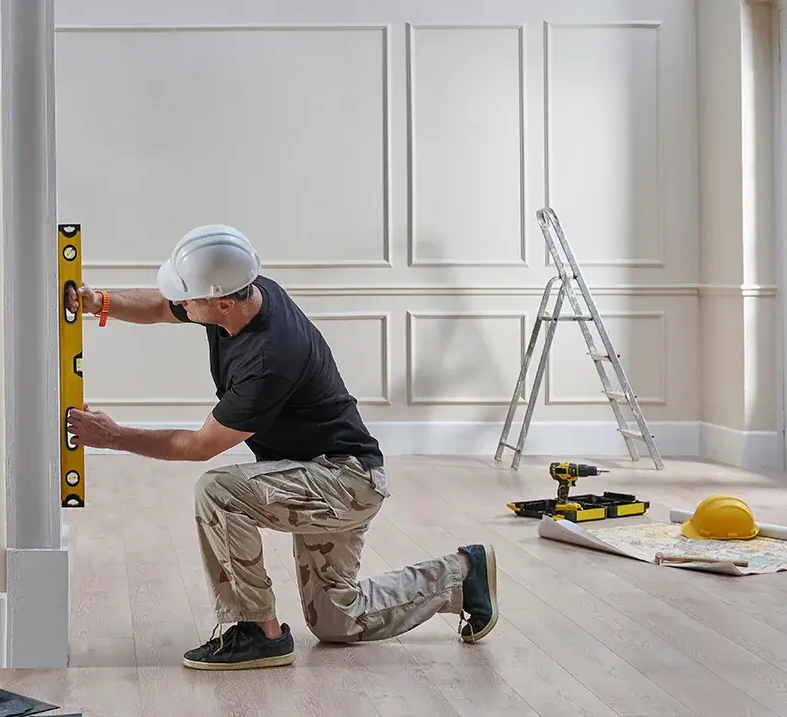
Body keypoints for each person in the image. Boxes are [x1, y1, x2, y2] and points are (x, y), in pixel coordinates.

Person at [64, 224, 500, 671]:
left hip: (345, 480)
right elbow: (163, 305)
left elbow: (199, 445)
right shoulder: (243, 295)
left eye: (186, 297)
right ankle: (462, 574)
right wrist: (102, 303)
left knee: (219, 489)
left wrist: (113, 437)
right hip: (314, 471)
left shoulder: (269, 359)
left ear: (222, 302)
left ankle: (257, 631)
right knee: (337, 622)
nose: (179, 303)